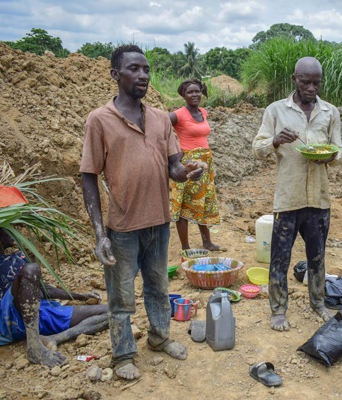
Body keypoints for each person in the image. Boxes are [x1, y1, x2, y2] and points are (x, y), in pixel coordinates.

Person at [80, 45, 206, 380]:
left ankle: (160, 336)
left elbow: (173, 167)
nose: (143, 76)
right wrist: (98, 234)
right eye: (134, 69)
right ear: (115, 74)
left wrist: (186, 170)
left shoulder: (159, 119)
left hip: (159, 222)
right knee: (121, 296)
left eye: (146, 69)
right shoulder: (100, 120)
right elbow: (88, 176)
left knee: (157, 286)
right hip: (122, 227)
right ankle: (123, 355)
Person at [252, 57, 342, 332]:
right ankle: (278, 310)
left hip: (318, 198)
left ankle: (318, 303)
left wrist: (329, 157)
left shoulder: (330, 112)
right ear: (294, 79)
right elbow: (257, 149)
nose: (311, 88)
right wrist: (275, 140)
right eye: (306, 82)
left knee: (317, 257)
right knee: (280, 257)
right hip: (288, 198)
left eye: (316, 82)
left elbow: (340, 151)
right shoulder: (276, 110)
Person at [0, 229, 108, 367]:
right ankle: (34, 346)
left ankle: (56, 338)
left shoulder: (17, 257)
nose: (14, 232)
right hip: (8, 319)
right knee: (31, 269)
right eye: (7, 229)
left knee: (111, 311)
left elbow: (41, 289)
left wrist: (80, 296)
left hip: (36, 313)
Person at [169, 79, 223, 253]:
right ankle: (186, 247)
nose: (195, 95)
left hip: (205, 163)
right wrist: (175, 152)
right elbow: (161, 127)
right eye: (190, 92)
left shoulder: (204, 112)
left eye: (197, 91)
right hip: (188, 165)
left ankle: (207, 242)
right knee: (183, 204)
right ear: (183, 95)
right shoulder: (178, 114)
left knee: (204, 201)